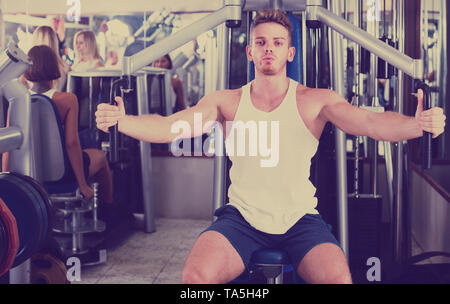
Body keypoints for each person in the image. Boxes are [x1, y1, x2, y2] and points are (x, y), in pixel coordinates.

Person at [95, 9, 446, 283]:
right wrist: (121, 122)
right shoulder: (226, 102)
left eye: (277, 43)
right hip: (241, 219)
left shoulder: (314, 101)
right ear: (249, 51)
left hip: (300, 220)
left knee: (339, 279)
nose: (269, 49)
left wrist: (417, 125)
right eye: (261, 42)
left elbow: (370, 122)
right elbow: (171, 127)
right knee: (194, 279)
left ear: (290, 52)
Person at [23, 45, 113, 204]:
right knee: (100, 156)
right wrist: (82, 185)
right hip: (61, 172)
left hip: (29, 170)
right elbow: (71, 143)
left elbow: (10, 146)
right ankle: (109, 211)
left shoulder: (18, 100)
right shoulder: (67, 99)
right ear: (54, 65)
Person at [30, 25, 71, 92]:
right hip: (58, 101)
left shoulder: (27, 67)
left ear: (35, 40)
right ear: (54, 41)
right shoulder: (65, 67)